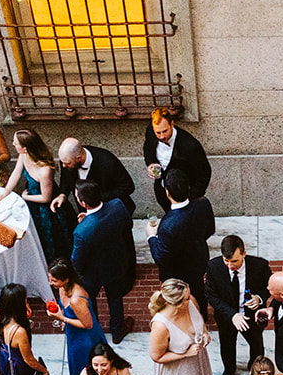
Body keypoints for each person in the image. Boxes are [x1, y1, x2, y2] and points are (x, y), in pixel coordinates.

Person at [70, 182, 137, 343]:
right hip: (116, 263)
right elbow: (128, 225)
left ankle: (95, 331)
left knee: (90, 301)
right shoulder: (118, 205)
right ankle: (117, 330)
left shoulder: (82, 231)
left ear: (83, 203)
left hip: (92, 274)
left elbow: (77, 261)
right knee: (115, 298)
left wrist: (84, 223)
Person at [145, 168, 215, 314]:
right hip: (198, 260)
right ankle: (202, 313)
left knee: (178, 298)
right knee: (198, 289)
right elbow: (210, 229)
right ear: (188, 187)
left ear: (167, 192)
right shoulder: (203, 204)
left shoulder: (168, 224)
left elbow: (161, 257)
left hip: (176, 271)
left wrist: (151, 236)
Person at [207, 235, 271, 375]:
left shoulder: (259, 266)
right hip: (227, 317)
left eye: (234, 261)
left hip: (251, 316)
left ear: (244, 254)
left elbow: (269, 286)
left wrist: (259, 298)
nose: (230, 266)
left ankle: (254, 370)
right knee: (227, 345)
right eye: (226, 261)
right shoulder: (213, 267)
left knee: (256, 344)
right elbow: (210, 295)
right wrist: (232, 315)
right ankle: (229, 370)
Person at [0, 128, 70, 263]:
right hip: (31, 199)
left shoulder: (45, 170)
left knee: (49, 237)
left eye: (15, 143)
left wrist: (25, 197)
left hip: (45, 208)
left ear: (25, 148)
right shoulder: (24, 155)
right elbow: (16, 173)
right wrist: (5, 192)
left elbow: (46, 198)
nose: (13, 144)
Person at [48, 259, 107, 375]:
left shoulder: (76, 299)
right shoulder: (62, 289)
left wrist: (62, 318)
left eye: (54, 280)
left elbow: (88, 324)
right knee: (75, 365)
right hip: (73, 335)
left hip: (85, 339)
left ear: (66, 279)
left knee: (85, 367)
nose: (51, 283)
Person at [142, 107, 210, 212]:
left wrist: (189, 199)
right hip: (162, 191)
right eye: (158, 133)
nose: (161, 136)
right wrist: (150, 164)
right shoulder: (151, 132)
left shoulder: (190, 145)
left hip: (185, 198)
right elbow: (147, 148)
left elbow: (204, 174)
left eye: (165, 131)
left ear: (172, 124)